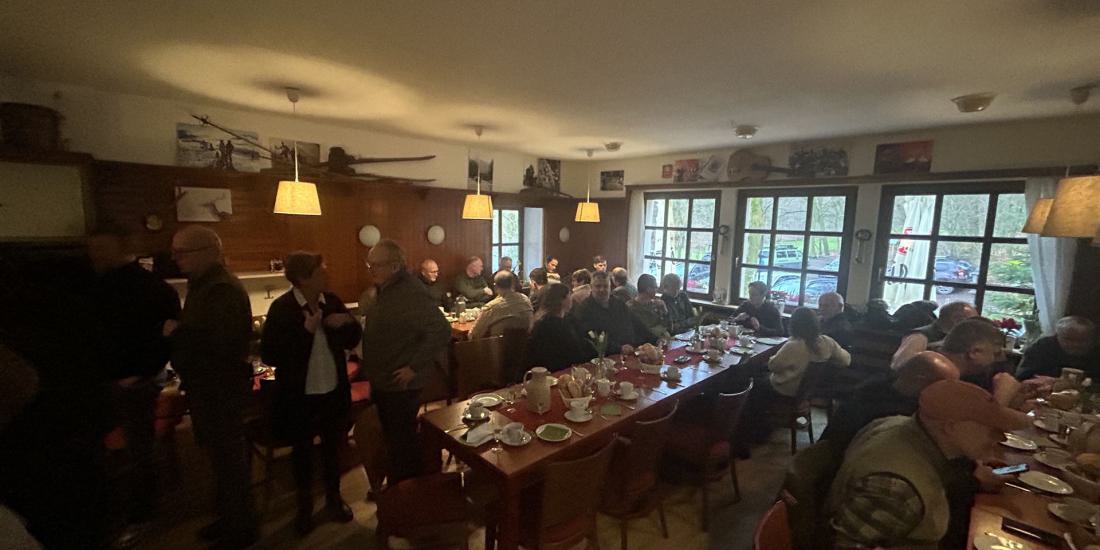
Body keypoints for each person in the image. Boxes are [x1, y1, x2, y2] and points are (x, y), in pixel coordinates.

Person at [826, 380, 1027, 548]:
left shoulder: (895, 424)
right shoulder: (898, 488)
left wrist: (971, 473)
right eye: (992, 430)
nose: (1000, 438)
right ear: (951, 427)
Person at [166, 226, 257, 547]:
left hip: (220, 391)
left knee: (230, 462)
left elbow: (220, 346)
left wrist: (177, 333)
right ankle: (230, 519)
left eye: (182, 252)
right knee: (222, 462)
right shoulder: (206, 285)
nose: (175, 258)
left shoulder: (221, 290)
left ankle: (241, 529)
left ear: (208, 252)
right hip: (211, 389)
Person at [88, 224, 180, 541]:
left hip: (133, 382)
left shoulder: (149, 288)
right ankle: (125, 515)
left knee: (139, 452)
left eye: (101, 248)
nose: (95, 255)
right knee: (125, 451)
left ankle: (142, 515)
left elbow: (168, 337)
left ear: (120, 246)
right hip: (113, 381)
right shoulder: (102, 285)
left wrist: (139, 373)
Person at [261, 252, 361, 534]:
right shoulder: (282, 308)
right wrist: (304, 332)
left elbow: (353, 339)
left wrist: (347, 323)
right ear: (303, 278)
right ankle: (304, 508)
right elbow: (269, 354)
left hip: (333, 389)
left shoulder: (331, 301)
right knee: (302, 453)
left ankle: (334, 499)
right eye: (321, 270)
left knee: (333, 448)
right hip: (299, 395)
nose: (326, 274)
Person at [359, 239, 451, 483]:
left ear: (395, 266)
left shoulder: (410, 292)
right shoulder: (386, 288)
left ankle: (407, 491)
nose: (371, 270)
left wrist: (413, 367)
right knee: (393, 437)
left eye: (376, 265)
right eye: (369, 265)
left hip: (400, 383)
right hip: (384, 378)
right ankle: (397, 487)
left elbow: (441, 330)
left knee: (402, 441)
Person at [820, 351, 960, 447]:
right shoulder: (886, 411)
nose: (948, 393)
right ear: (920, 380)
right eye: (944, 386)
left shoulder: (875, 386)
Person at [570, 271, 655, 356]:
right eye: (598, 286)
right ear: (591, 288)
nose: (602, 289)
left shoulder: (618, 303)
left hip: (630, 351)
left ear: (610, 287)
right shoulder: (584, 309)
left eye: (605, 286)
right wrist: (619, 348)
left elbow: (636, 323)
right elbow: (591, 338)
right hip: (605, 355)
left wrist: (655, 339)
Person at [937, 318, 1019, 405]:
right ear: (975, 352)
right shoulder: (940, 377)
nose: (1002, 358)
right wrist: (1002, 396)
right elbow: (971, 414)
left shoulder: (954, 374)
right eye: (996, 354)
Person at [891, 301, 978, 370]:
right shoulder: (919, 336)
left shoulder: (955, 337)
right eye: (972, 322)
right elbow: (899, 364)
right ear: (957, 319)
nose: (974, 326)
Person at [526, 284, 593, 371]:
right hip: (559, 370)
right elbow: (574, 351)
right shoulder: (555, 325)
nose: (572, 299)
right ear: (562, 300)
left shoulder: (541, 319)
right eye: (569, 295)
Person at [1016, 316, 1099, 380]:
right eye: (1068, 339)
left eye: (1081, 340)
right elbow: (1023, 375)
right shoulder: (1042, 346)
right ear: (1057, 336)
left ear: (1091, 340)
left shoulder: (1096, 352)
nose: (1075, 344)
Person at [469, 271, 534, 339]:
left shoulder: (491, 308)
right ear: (513, 285)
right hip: (525, 344)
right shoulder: (526, 300)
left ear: (495, 287)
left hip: (497, 345)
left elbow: (473, 335)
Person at [628, 274, 671, 340]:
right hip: (644, 343)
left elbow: (669, 326)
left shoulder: (656, 304)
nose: (657, 290)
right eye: (655, 287)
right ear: (648, 289)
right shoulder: (631, 307)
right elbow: (644, 332)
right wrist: (661, 331)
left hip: (661, 340)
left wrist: (665, 310)